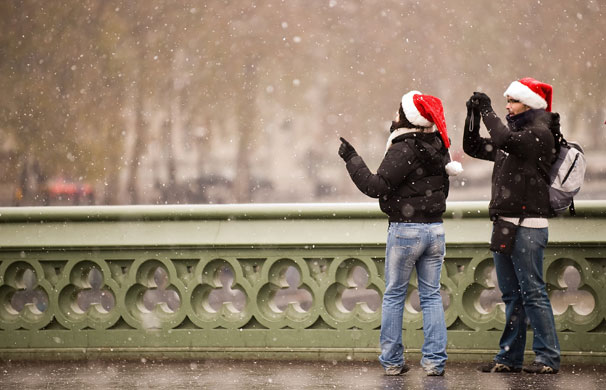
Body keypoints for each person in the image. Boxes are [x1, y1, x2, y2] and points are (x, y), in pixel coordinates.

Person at [338, 91, 462, 376]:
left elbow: (375, 186)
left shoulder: (403, 148)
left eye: (397, 112)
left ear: (407, 117)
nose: (393, 117)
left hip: (406, 230)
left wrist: (351, 158)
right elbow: (442, 190)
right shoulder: (439, 146)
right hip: (435, 229)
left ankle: (393, 362)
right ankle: (434, 362)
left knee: (394, 295)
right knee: (431, 296)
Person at [463, 77, 561, 374]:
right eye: (506, 101)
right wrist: (473, 115)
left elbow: (503, 139)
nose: (507, 106)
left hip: (529, 224)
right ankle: (509, 358)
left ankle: (547, 358)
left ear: (529, 103)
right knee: (511, 295)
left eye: (512, 101)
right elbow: (472, 146)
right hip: (505, 222)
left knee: (532, 292)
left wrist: (489, 109)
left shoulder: (540, 134)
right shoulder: (514, 135)